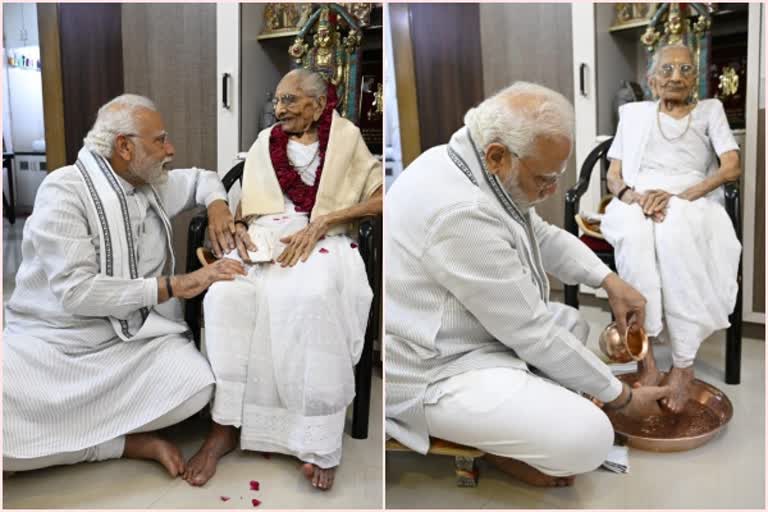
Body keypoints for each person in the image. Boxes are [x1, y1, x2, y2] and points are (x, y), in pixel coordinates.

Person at [385, 82, 670, 487]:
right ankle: (493, 446)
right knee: (589, 437)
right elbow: (531, 332)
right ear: (499, 156)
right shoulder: (460, 211)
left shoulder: (473, 165)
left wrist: (609, 281)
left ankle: (503, 435)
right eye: (545, 178)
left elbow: (542, 235)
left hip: (470, 329)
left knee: (572, 323)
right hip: (436, 368)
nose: (553, 190)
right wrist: (624, 399)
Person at [3, 94, 246, 476]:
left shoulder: (153, 184)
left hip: (130, 343)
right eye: (160, 140)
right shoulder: (63, 191)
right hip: (53, 343)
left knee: (197, 385)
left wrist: (218, 206)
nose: (171, 149)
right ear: (125, 147)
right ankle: (116, 444)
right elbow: (78, 292)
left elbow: (202, 178)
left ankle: (75, 434)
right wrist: (174, 286)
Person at [183, 69, 383, 491]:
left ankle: (315, 439)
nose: (279, 109)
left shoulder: (346, 137)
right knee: (224, 297)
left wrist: (327, 219)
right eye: (277, 101)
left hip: (323, 237)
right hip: (264, 235)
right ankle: (225, 426)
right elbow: (246, 203)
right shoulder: (265, 141)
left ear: (317, 103)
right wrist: (235, 224)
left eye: (289, 100)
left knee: (312, 296)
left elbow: (384, 196)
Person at [602, 43, 741, 412]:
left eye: (684, 70)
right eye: (667, 70)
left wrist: (680, 195)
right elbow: (613, 176)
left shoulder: (711, 110)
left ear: (695, 78)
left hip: (690, 197)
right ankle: (644, 357)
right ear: (651, 79)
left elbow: (731, 167)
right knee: (634, 237)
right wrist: (634, 196)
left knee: (674, 235)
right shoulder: (633, 114)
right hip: (638, 196)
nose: (675, 77)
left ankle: (683, 362)